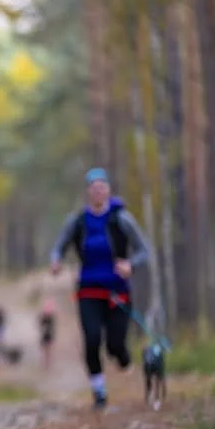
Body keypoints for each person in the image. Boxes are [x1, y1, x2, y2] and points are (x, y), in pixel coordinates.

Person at [49, 167, 152, 410]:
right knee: (92, 339)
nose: (98, 192)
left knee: (115, 344)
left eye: (102, 187)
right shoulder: (77, 221)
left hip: (117, 290)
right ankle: (99, 391)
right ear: (88, 192)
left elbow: (144, 251)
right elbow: (58, 247)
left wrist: (130, 264)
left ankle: (123, 358)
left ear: (108, 191)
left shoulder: (121, 219)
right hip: (88, 290)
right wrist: (55, 261)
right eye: (93, 188)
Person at [39, 297, 56, 370]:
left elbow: (52, 327)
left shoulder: (51, 318)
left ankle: (47, 363)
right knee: (45, 350)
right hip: (45, 335)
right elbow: (40, 325)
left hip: (48, 335)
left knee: (48, 350)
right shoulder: (44, 317)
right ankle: (46, 363)